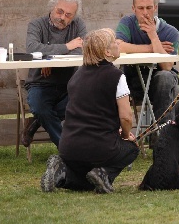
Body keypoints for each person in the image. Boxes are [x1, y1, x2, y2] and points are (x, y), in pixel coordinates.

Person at [41, 28, 140, 193]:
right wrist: (125, 136)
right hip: (100, 147)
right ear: (107, 51)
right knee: (132, 149)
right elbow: (127, 117)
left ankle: (62, 172)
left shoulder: (76, 76)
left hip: (68, 147)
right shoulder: (117, 76)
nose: (118, 44)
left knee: (87, 183)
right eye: (114, 41)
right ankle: (104, 174)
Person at [23, 0, 87, 148]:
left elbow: (79, 52)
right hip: (40, 82)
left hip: (69, 84)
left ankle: (36, 122)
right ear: (52, 7)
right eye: (60, 11)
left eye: (68, 15)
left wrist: (48, 59)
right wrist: (67, 46)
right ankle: (67, 148)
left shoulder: (78, 25)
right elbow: (32, 49)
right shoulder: (36, 25)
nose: (63, 17)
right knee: (40, 107)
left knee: (83, 101)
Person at [115, 0, 179, 126]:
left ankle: (160, 136)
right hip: (133, 82)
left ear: (155, 8)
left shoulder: (170, 32)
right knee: (176, 92)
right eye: (140, 8)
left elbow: (167, 66)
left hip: (160, 84)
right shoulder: (127, 23)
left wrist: (153, 36)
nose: (145, 13)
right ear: (133, 9)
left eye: (149, 8)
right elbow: (118, 47)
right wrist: (152, 47)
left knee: (167, 80)